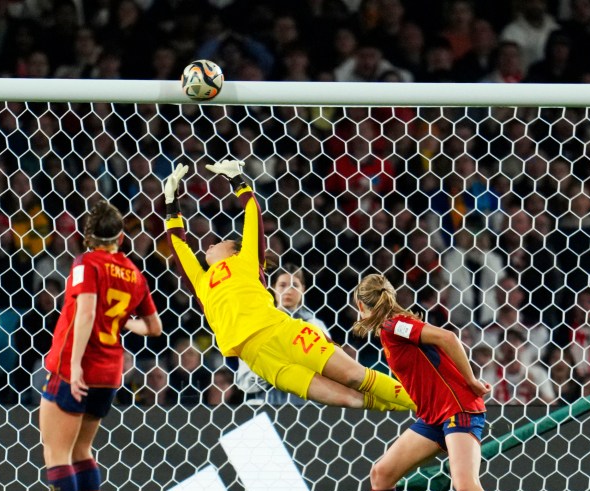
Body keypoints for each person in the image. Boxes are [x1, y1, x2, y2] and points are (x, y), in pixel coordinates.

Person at [162, 160, 414, 413]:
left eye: (220, 242)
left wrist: (237, 180)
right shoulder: (201, 281)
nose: (210, 245)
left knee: (354, 377)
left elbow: (253, 213)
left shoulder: (246, 261)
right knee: (347, 399)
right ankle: (418, 412)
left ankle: (427, 402)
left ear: (234, 251)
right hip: (259, 360)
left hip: (282, 333)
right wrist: (170, 202)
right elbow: (178, 246)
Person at [339, 273, 540, 491]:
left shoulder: (396, 325)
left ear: (359, 304)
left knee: (465, 485)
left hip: (457, 409)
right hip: (434, 416)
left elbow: (447, 337)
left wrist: (471, 381)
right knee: (382, 474)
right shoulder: (390, 329)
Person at [39, 201, 163, 491]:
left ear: (86, 237)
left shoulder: (85, 264)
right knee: (82, 450)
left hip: (75, 368)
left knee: (56, 451)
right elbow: (154, 328)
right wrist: (126, 324)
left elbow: (88, 312)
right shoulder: (133, 274)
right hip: (110, 373)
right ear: (121, 237)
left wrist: (74, 365)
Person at [234, 265, 332, 406]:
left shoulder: (316, 326)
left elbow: (329, 370)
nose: (288, 290)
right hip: (267, 405)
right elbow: (244, 382)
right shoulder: (258, 326)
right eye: (282, 285)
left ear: (303, 289)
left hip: (307, 406)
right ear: (273, 288)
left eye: (294, 285)